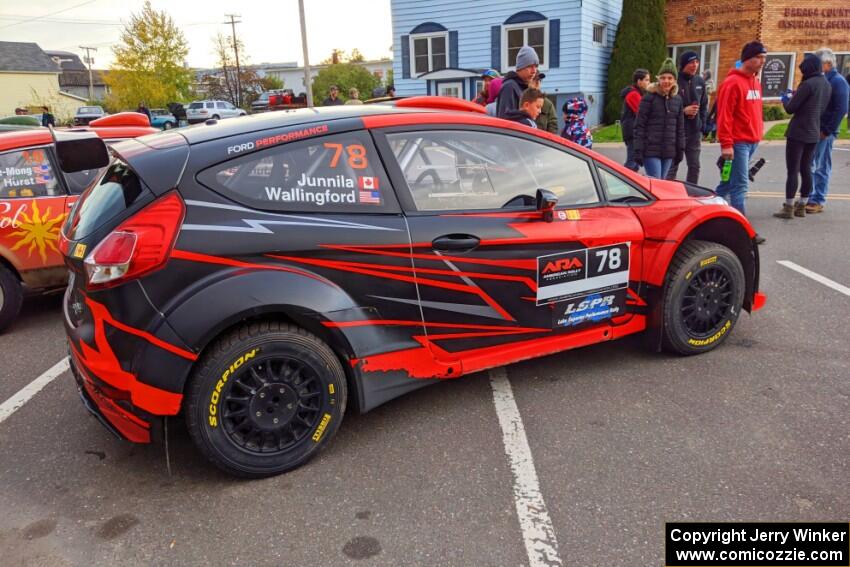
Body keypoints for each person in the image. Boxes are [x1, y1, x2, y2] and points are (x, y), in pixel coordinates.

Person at [714, 41, 767, 229]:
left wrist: (758, 132)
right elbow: (724, 116)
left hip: (751, 141)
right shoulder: (732, 83)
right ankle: (742, 230)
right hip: (738, 143)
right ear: (747, 59)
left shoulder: (755, 83)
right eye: (759, 57)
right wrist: (726, 144)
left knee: (728, 183)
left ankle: (711, 211)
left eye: (764, 58)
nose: (762, 62)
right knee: (740, 185)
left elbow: (755, 112)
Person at [774, 54, 832, 219]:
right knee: (806, 169)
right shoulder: (826, 84)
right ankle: (802, 205)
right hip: (813, 132)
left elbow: (791, 108)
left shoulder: (807, 84)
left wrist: (785, 99)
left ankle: (788, 208)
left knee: (792, 171)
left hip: (798, 132)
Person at [807, 47, 849, 214]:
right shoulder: (823, 79)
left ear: (827, 64)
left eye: (818, 63)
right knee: (809, 164)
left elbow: (841, 109)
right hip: (814, 128)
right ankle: (808, 195)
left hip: (825, 131)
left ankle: (817, 199)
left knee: (821, 165)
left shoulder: (838, 82)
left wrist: (827, 130)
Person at [633, 58, 685, 179]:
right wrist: (638, 149)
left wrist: (680, 149)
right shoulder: (649, 98)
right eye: (663, 77)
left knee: (661, 183)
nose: (666, 81)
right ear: (658, 79)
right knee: (656, 181)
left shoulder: (677, 100)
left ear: (675, 80)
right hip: (650, 150)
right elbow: (639, 125)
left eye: (670, 78)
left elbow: (680, 129)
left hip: (668, 150)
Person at [666, 51, 708, 184]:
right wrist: (683, 111)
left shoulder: (699, 81)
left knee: (694, 166)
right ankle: (667, 194)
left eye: (696, 62)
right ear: (684, 64)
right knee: (672, 166)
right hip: (677, 131)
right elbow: (666, 106)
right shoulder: (674, 81)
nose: (694, 65)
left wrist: (702, 125)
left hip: (694, 132)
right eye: (691, 62)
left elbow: (704, 105)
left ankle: (691, 194)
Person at [620, 68, 650, 171]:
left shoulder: (639, 93)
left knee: (635, 163)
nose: (648, 83)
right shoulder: (633, 94)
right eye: (646, 80)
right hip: (632, 131)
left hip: (633, 131)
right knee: (631, 163)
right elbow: (642, 113)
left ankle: (631, 185)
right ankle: (624, 181)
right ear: (639, 81)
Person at [497, 45, 538, 118]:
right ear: (521, 66)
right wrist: (527, 115)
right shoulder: (509, 87)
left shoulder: (523, 88)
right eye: (530, 66)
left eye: (536, 66)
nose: (534, 71)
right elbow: (504, 117)